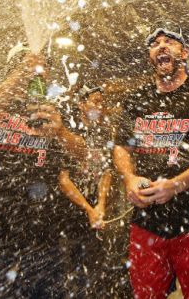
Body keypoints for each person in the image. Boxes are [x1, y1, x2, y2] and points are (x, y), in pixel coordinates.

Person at [0, 51, 88, 298]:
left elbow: (84, 154)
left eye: (42, 66)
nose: (38, 69)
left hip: (42, 231)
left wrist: (61, 132)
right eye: (26, 64)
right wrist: (21, 75)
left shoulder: (54, 105)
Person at [112, 22, 189, 299]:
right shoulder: (136, 100)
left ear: (184, 53)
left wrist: (176, 185)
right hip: (147, 223)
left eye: (170, 41)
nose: (161, 46)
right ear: (150, 57)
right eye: (155, 44)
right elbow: (121, 148)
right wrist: (129, 177)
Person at [57, 82, 123, 296]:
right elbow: (64, 180)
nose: (100, 107)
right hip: (69, 217)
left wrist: (101, 204)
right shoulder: (68, 132)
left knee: (95, 273)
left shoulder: (103, 132)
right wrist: (88, 208)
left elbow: (106, 172)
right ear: (81, 104)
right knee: (68, 274)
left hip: (97, 218)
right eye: (95, 102)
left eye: (102, 102)